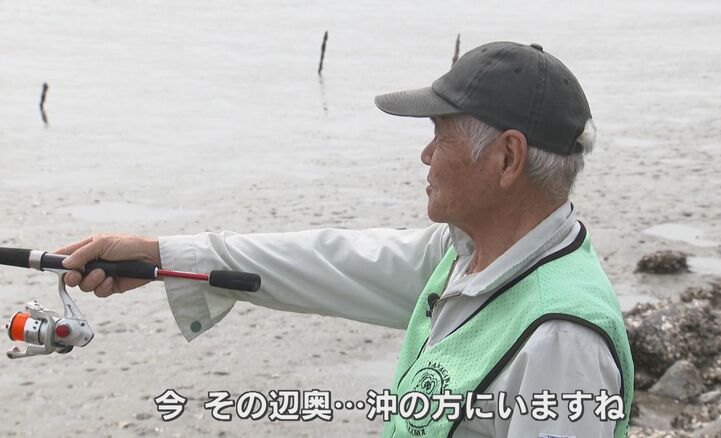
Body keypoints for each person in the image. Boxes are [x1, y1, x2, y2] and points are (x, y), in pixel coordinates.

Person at [57, 41, 634, 437]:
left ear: (507, 158)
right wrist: (164, 258)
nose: (426, 155)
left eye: (441, 135)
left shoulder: (562, 338)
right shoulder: (469, 255)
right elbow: (329, 263)